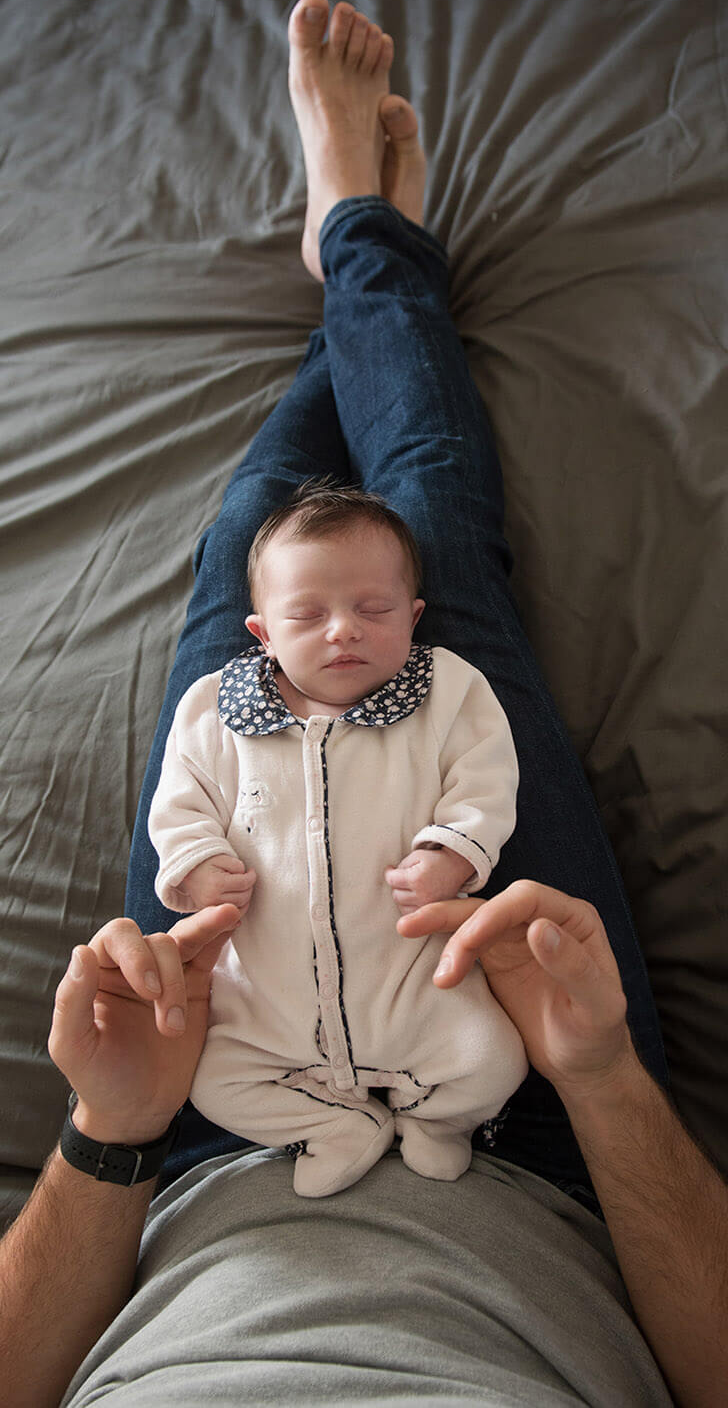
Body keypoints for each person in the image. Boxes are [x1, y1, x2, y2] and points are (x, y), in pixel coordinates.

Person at [0, 0, 728, 1408]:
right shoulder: (425, 673)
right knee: (431, 528)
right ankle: (363, 244)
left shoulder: (245, 677)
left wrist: (113, 1126)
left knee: (258, 541)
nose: (352, 627)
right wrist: (595, 1078)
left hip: (192, 1112)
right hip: (535, 1096)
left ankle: (358, 248)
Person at [147, 479, 529, 1198]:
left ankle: (438, 1119)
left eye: (373, 609)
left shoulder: (448, 690)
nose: (343, 630)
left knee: (493, 1059)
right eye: (308, 614)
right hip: (266, 1004)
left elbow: (486, 777)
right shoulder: (214, 710)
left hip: (414, 987)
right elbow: (178, 799)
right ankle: (334, 1125)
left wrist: (451, 852)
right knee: (208, 1082)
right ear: (262, 632)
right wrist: (197, 866)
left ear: (414, 618)